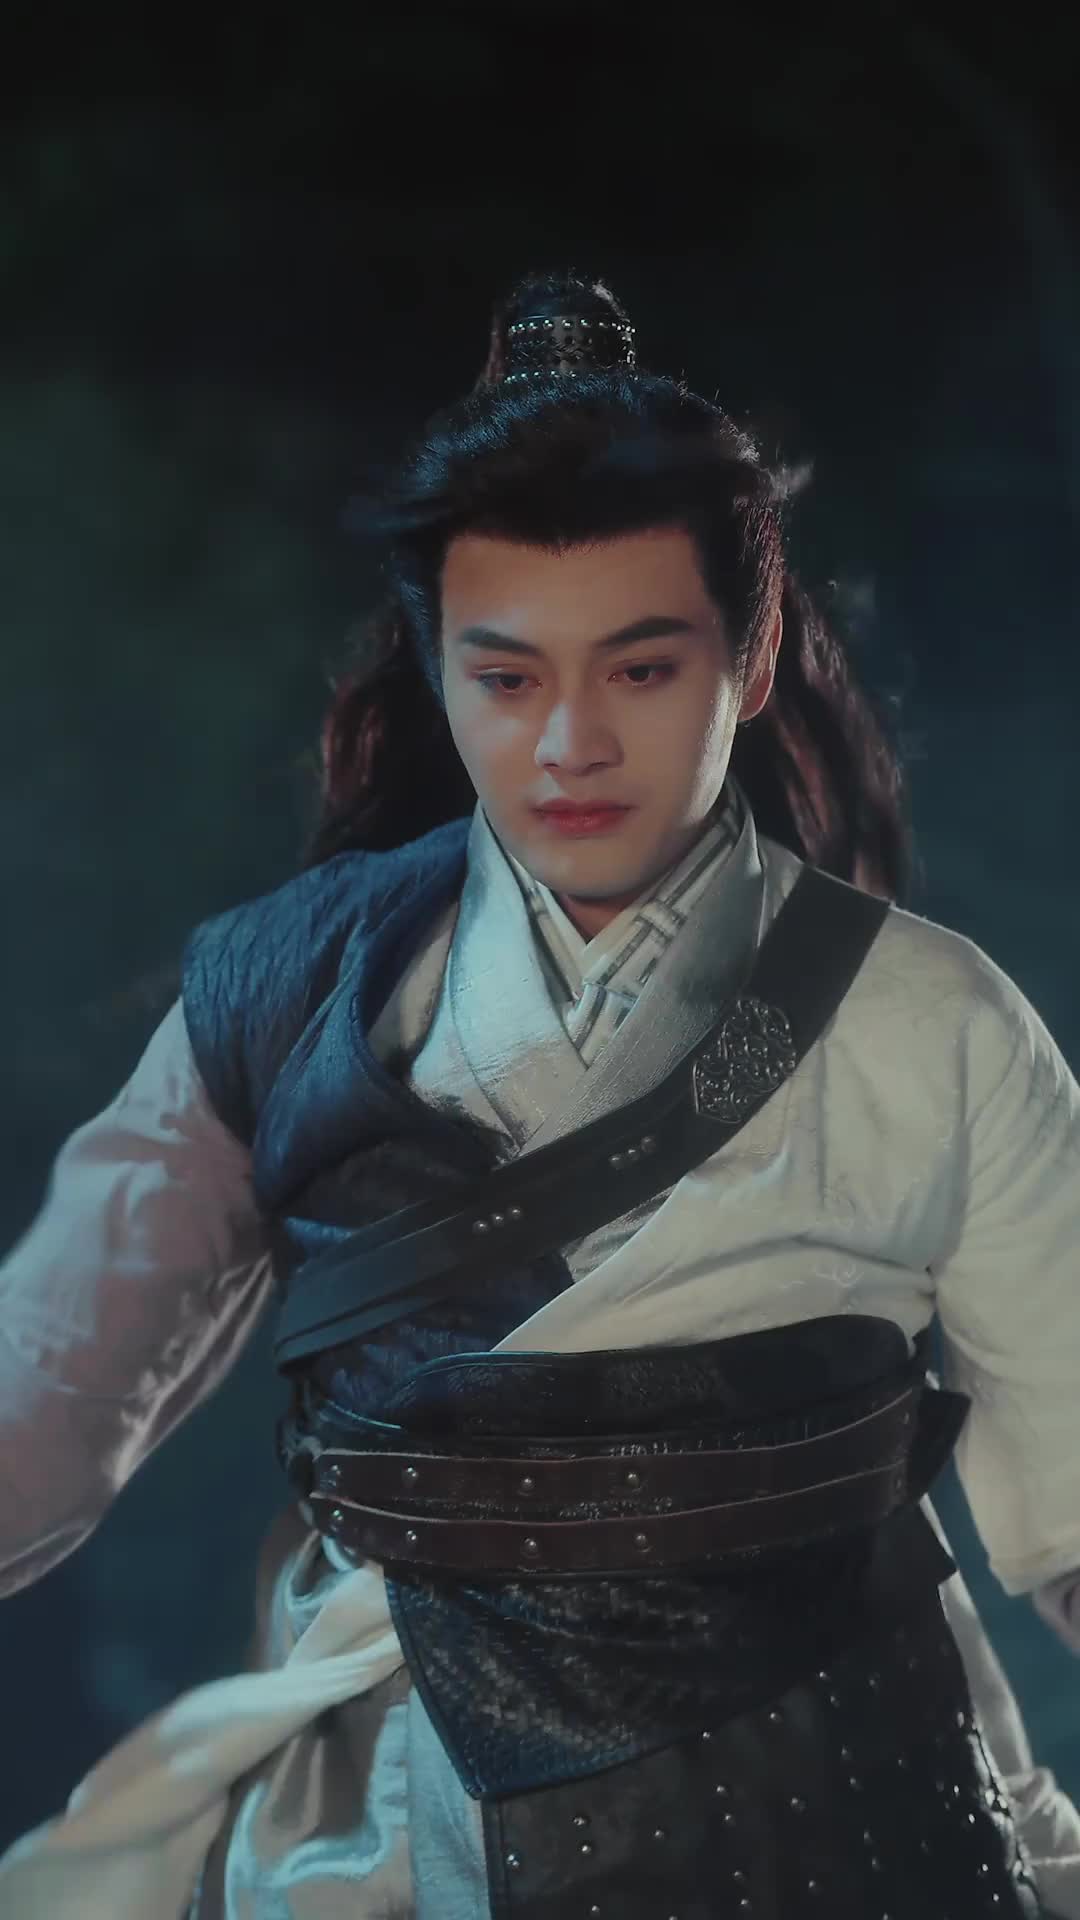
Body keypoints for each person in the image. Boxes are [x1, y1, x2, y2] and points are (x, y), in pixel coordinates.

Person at [0, 269, 1078, 1920]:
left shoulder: (933, 1018)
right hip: (401, 1788)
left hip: (849, 1778)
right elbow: (49, 1386)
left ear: (752, 656)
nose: (571, 743)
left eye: (641, 671)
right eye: (507, 680)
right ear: (437, 668)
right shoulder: (289, 991)